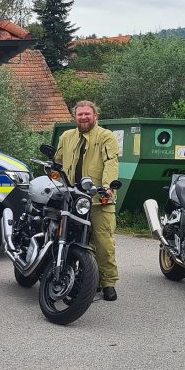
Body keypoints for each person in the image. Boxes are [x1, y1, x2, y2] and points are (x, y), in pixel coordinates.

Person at [55, 100, 120, 301]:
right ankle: (71, 275)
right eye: (80, 114)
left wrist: (108, 187)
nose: (83, 117)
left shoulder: (106, 136)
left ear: (95, 116)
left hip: (98, 198)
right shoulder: (66, 136)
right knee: (67, 237)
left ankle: (107, 282)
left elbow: (111, 162)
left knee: (103, 241)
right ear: (75, 117)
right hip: (71, 197)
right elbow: (57, 162)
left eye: (87, 114)